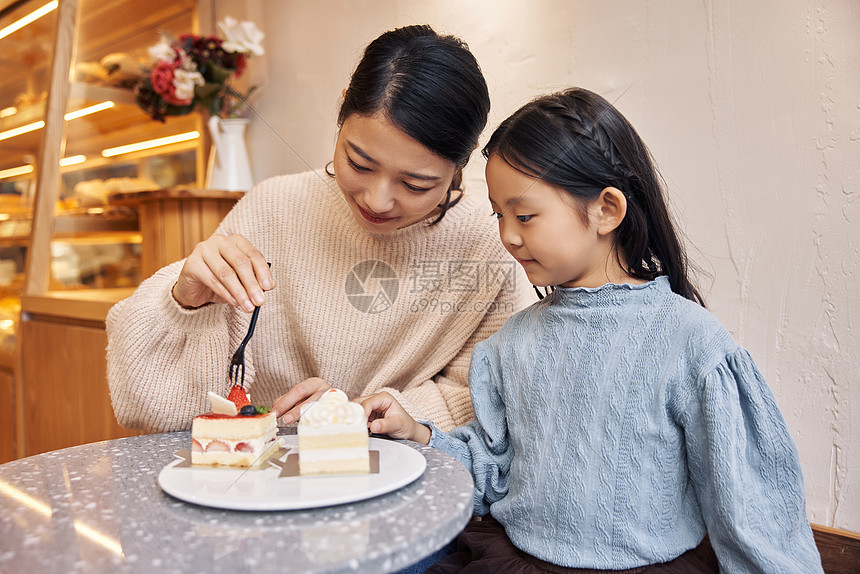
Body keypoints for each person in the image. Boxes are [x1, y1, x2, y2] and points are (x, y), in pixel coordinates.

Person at [358, 88, 824, 573]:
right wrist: (415, 431)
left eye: (525, 215)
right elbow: (493, 474)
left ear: (606, 210)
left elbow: (754, 512)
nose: (508, 236)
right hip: (514, 560)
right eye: (500, 215)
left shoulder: (695, 345)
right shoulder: (509, 346)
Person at [106, 25, 533, 433]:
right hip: (260, 473)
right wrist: (184, 303)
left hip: (401, 484)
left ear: (464, 159)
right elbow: (146, 407)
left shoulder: (486, 240)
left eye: (415, 184)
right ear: (343, 107)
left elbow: (480, 402)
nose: (376, 200)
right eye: (359, 164)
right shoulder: (273, 207)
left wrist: (355, 415)